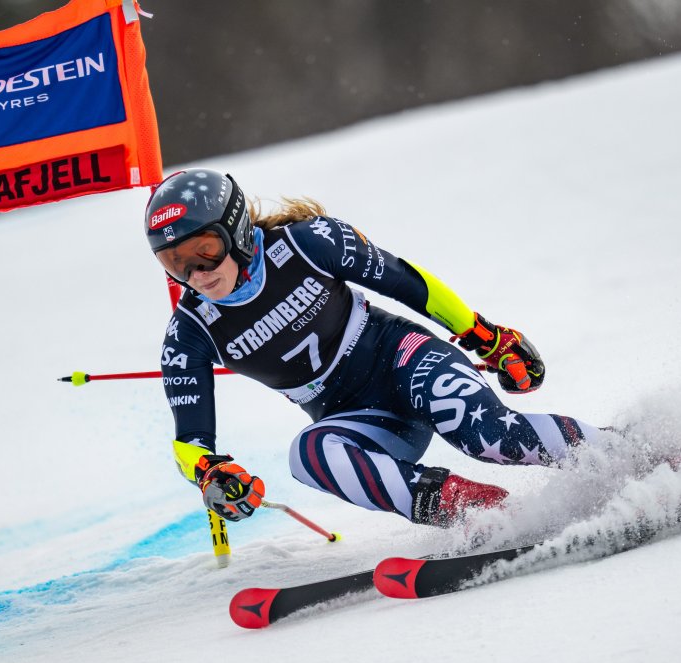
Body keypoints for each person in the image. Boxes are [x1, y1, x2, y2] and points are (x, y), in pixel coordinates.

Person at [147, 168, 630, 527]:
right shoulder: (190, 332)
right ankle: (487, 515)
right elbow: (189, 442)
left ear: (233, 228)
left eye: (204, 249)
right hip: (360, 418)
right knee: (309, 456)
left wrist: (484, 335)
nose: (197, 273)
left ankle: (630, 453)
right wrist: (211, 473)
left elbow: (408, 282)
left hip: (403, 358)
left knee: (489, 437)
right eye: (176, 263)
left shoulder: (306, 244)